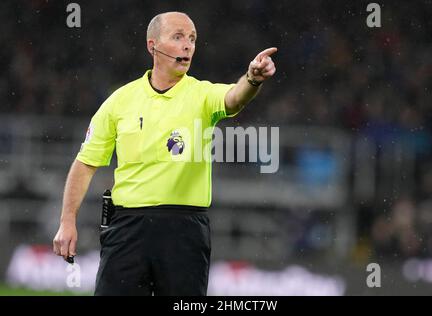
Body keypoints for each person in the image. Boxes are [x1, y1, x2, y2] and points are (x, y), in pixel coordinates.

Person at [53, 11, 277, 296]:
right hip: (126, 230)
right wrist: (67, 221)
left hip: (184, 231)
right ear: (152, 45)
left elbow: (234, 98)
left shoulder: (201, 95)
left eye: (193, 39)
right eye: (178, 37)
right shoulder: (120, 101)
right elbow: (86, 163)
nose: (188, 45)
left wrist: (252, 79)